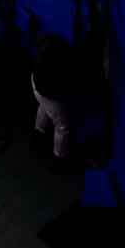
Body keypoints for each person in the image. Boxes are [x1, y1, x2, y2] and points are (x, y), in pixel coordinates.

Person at [31, 35, 79, 172]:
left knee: (43, 108)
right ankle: (59, 157)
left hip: (36, 85)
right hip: (51, 97)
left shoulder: (44, 52)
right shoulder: (60, 65)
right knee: (63, 127)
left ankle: (39, 133)